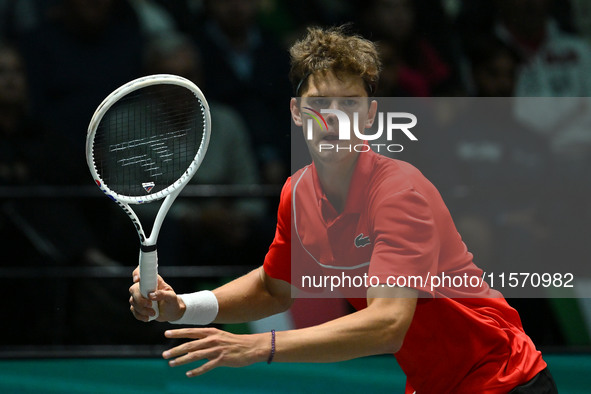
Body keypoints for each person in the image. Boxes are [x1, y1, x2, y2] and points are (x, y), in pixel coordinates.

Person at [129, 26, 557, 393]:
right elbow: (276, 287)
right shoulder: (297, 194)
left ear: (371, 116)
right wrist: (185, 306)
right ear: (297, 113)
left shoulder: (398, 193)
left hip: (504, 379)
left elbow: (388, 323)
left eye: (349, 104)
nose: (334, 119)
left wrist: (259, 346)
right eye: (320, 105)